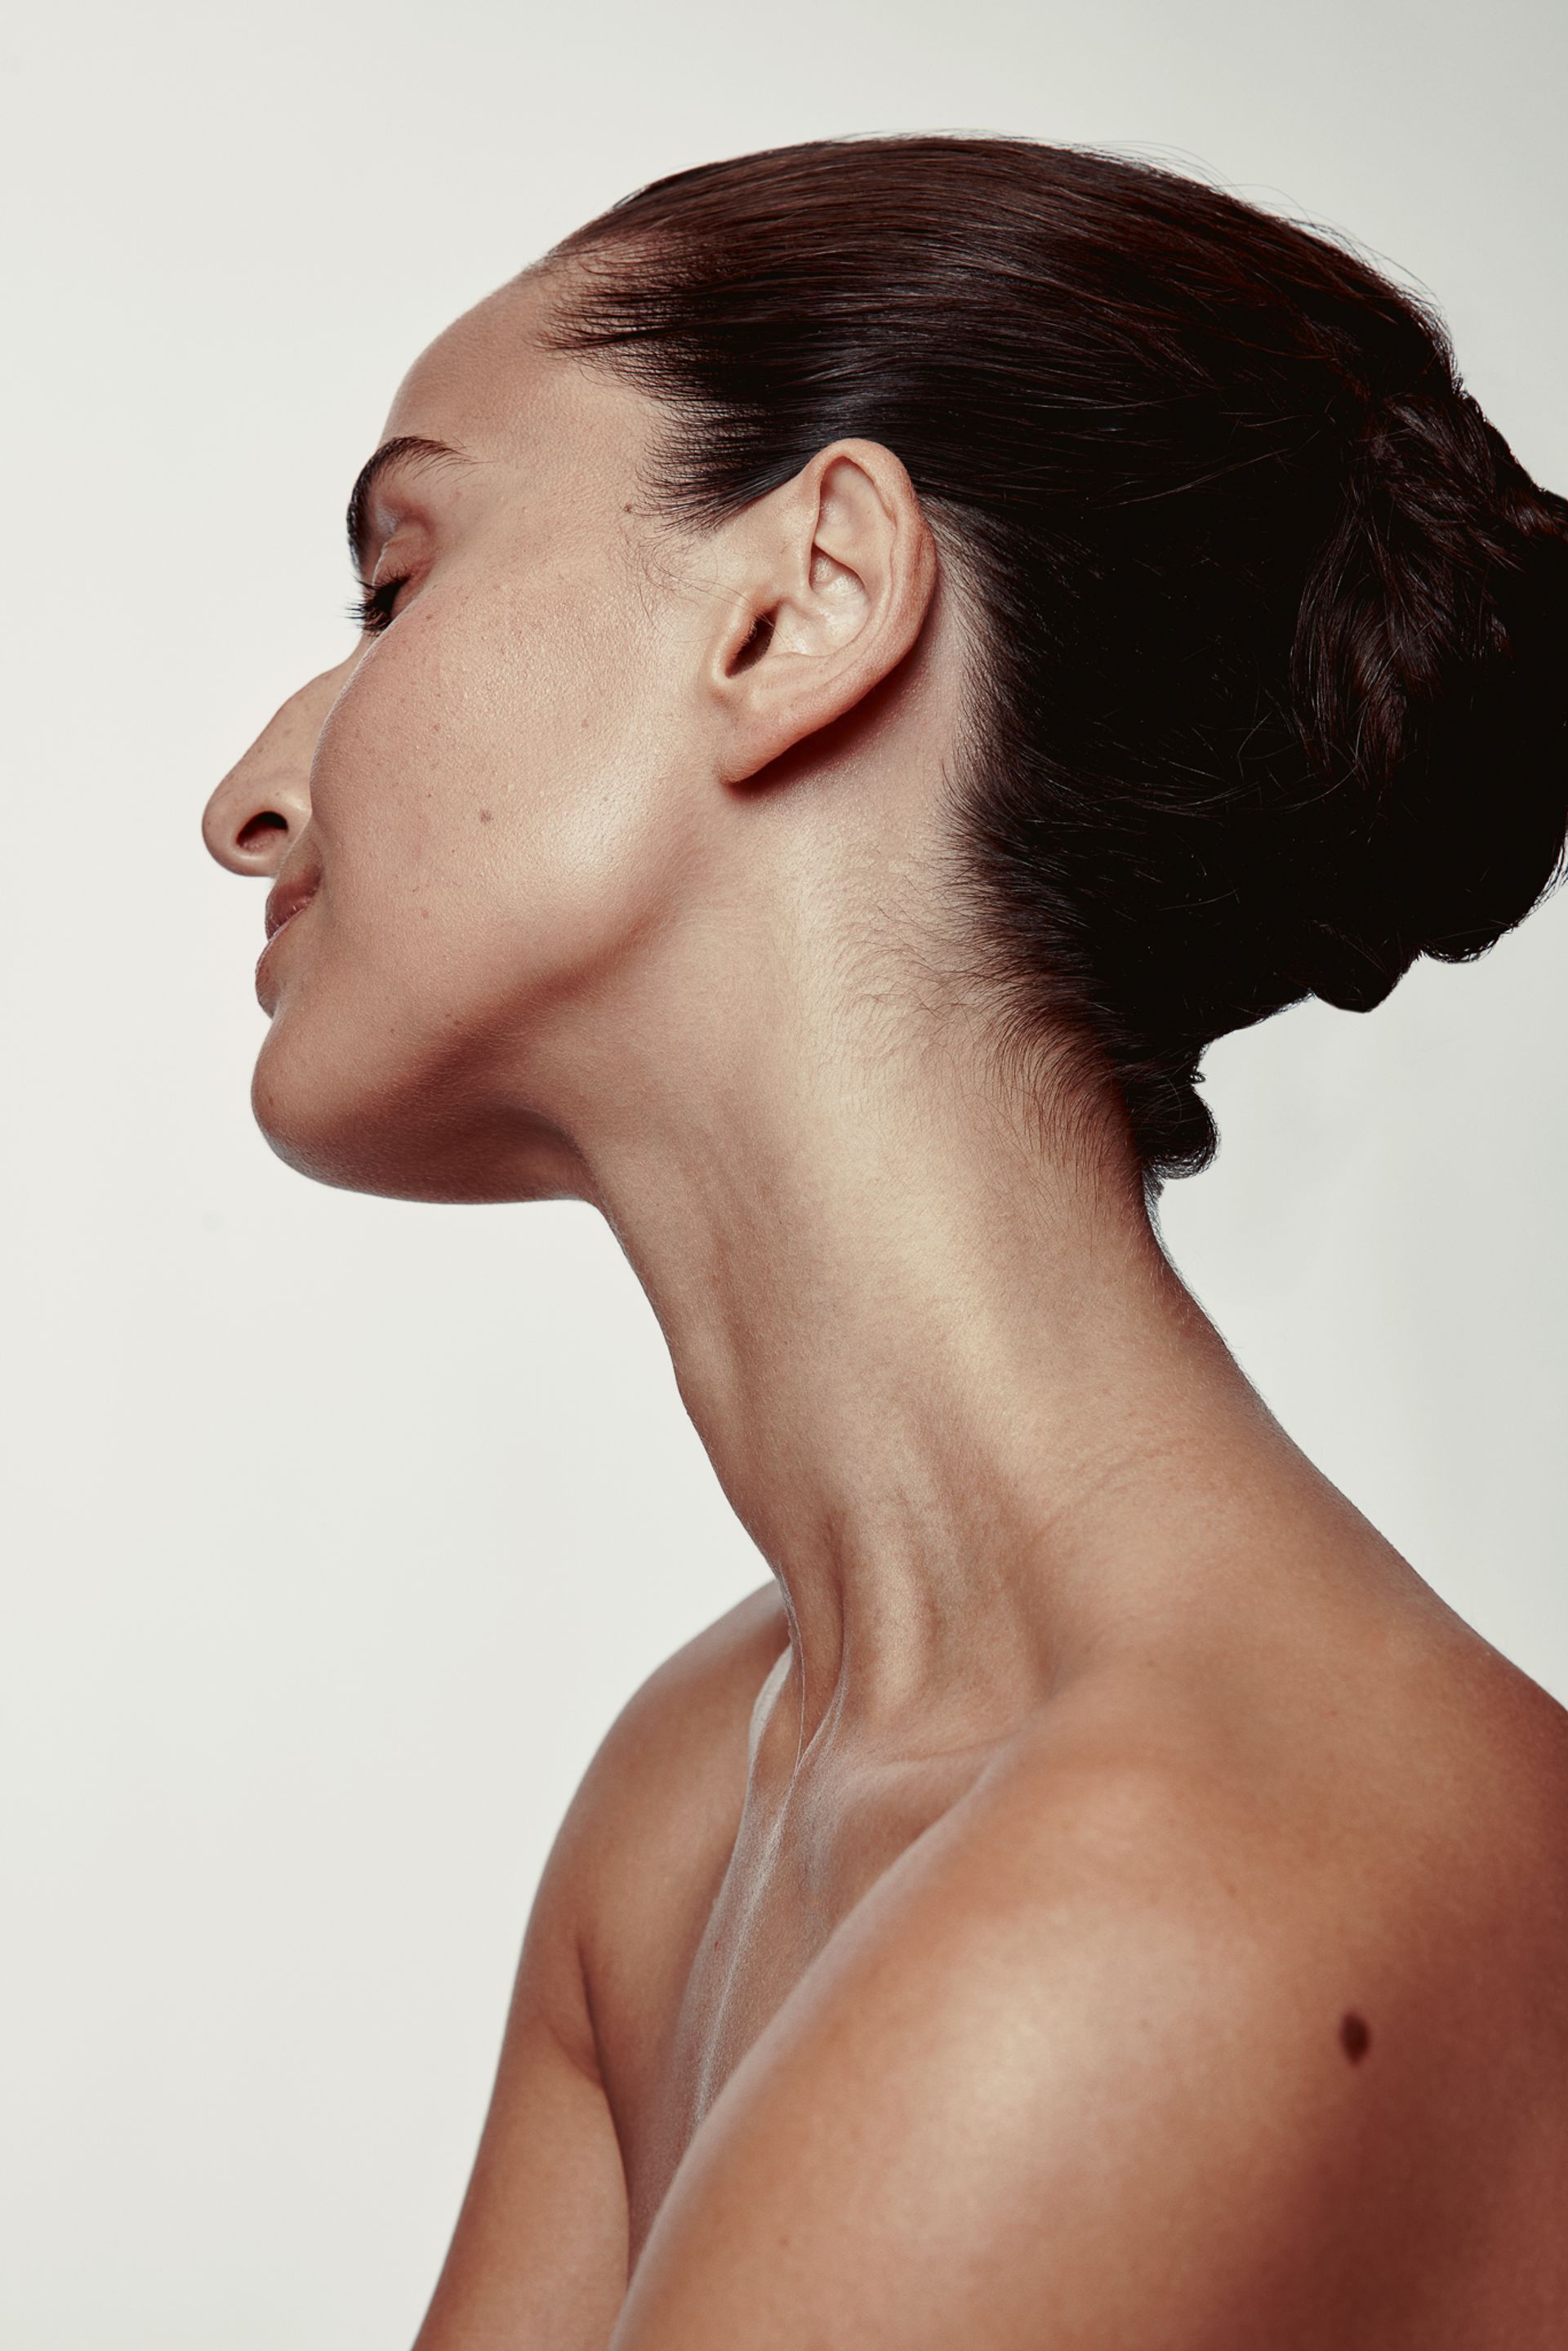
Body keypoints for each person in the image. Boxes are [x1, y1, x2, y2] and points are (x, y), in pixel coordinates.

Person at [202, 135, 1568, 2348]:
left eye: (398, 587)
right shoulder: (705, 1788)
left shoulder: (1155, 1895)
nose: (249, 799)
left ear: (802, 602)